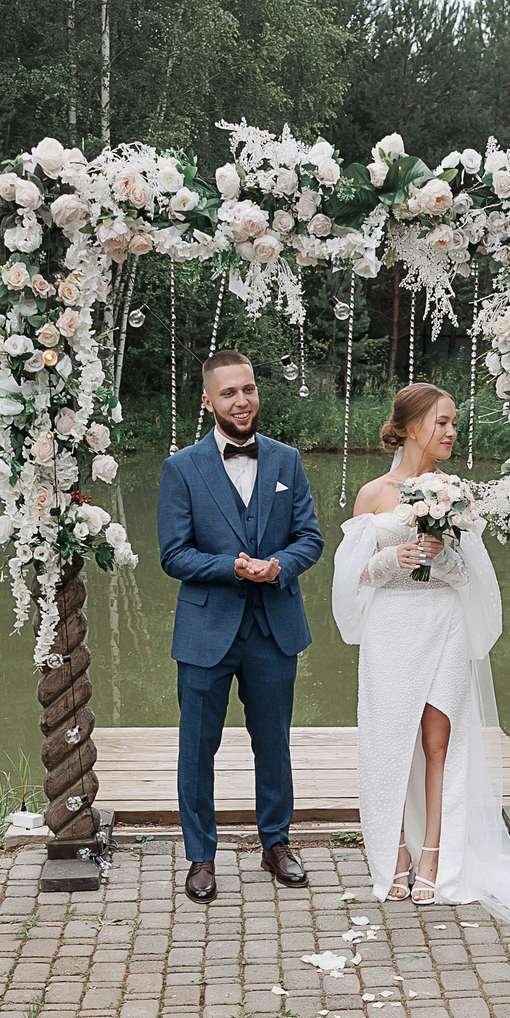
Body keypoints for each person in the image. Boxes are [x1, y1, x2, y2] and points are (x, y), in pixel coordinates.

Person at [330, 384, 510, 920]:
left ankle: (435, 854)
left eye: (454, 423)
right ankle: (395, 853)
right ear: (409, 427)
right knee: (391, 741)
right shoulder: (374, 495)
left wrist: (440, 559)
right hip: (391, 629)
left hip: (443, 624)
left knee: (439, 740)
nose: (451, 432)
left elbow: (474, 577)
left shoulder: (456, 494)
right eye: (442, 422)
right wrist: (396, 560)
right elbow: (350, 578)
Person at [156, 349, 324, 904]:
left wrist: (280, 566)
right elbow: (174, 555)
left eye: (248, 389)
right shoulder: (181, 468)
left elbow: (310, 538)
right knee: (196, 748)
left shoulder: (287, 461)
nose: (242, 400)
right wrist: (229, 566)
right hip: (207, 630)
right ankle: (201, 858)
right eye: (228, 392)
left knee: (273, 744)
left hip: (274, 626)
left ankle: (276, 845)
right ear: (208, 400)